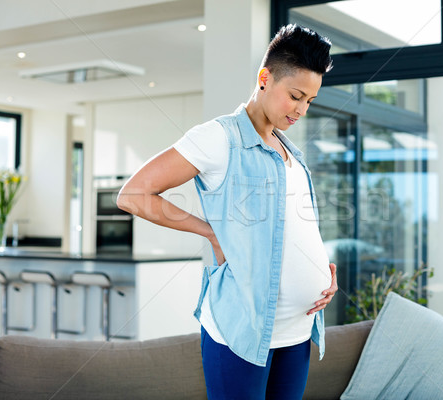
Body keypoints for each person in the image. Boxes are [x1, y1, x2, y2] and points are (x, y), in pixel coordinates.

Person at [117, 24, 338, 400]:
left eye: (310, 101)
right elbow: (134, 194)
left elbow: (292, 227)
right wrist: (211, 232)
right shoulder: (219, 138)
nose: (301, 109)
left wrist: (323, 270)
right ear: (265, 78)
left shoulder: (290, 152)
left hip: (298, 330)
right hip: (243, 330)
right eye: (296, 96)